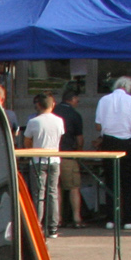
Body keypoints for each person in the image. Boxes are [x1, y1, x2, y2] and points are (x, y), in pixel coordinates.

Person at [94, 75, 131, 227]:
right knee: (127, 183)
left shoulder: (103, 100)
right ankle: (128, 219)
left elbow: (98, 126)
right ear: (129, 88)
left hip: (108, 143)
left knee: (110, 182)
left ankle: (111, 219)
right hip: (126, 143)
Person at [21, 93, 65, 237]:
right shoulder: (59, 121)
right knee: (53, 193)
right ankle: (53, 228)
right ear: (53, 105)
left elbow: (27, 141)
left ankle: (37, 226)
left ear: (38, 105)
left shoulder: (34, 122)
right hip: (55, 160)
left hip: (38, 160)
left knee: (38, 194)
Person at [57, 90, 86, 228]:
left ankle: (57, 219)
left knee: (56, 188)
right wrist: (79, 153)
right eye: (77, 100)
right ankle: (76, 218)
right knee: (74, 187)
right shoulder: (75, 115)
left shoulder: (52, 110)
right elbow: (79, 139)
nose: (77, 103)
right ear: (72, 98)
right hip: (68, 155)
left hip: (52, 155)